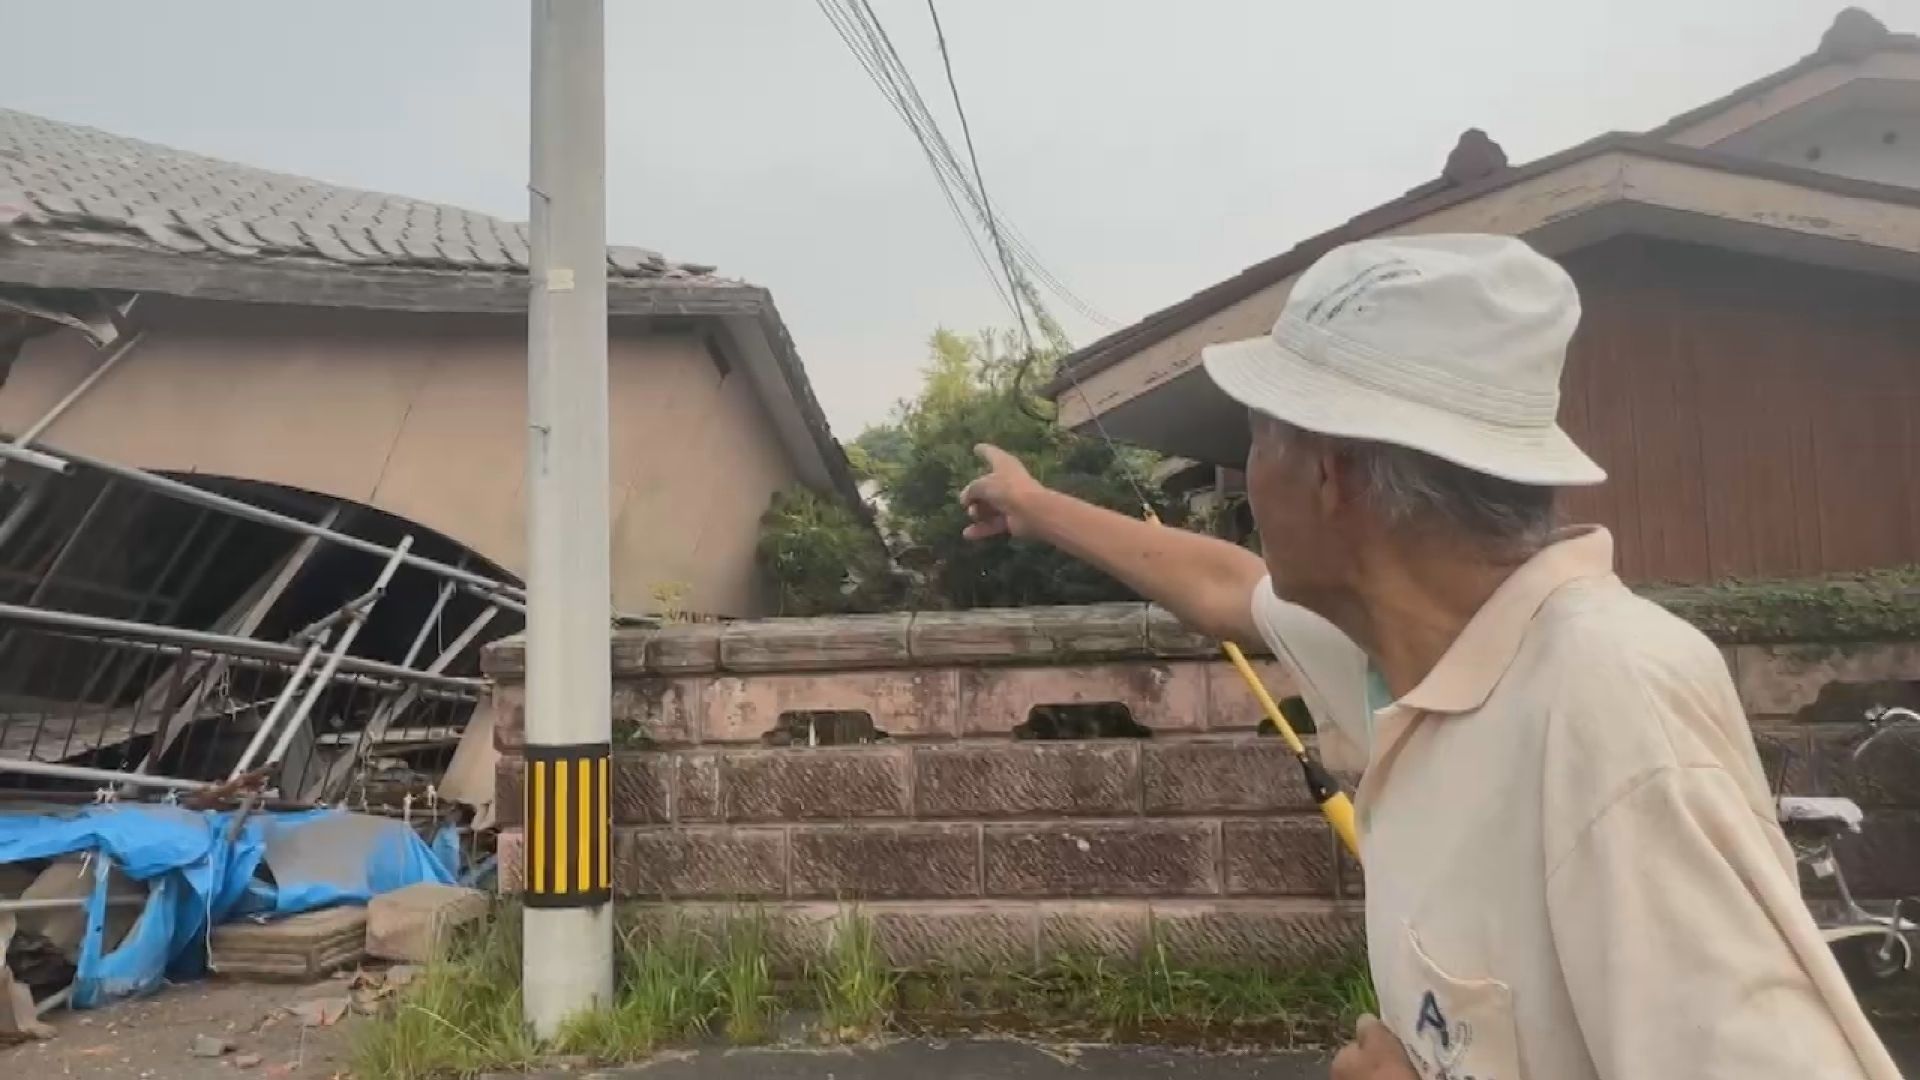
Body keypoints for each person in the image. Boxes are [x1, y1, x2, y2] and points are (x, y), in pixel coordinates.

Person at [960, 233, 1902, 1079]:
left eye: (1255, 438)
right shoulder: (1411, 651)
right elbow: (1223, 585)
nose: (1247, 477)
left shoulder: (1611, 705)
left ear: (1329, 472)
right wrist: (1036, 505)